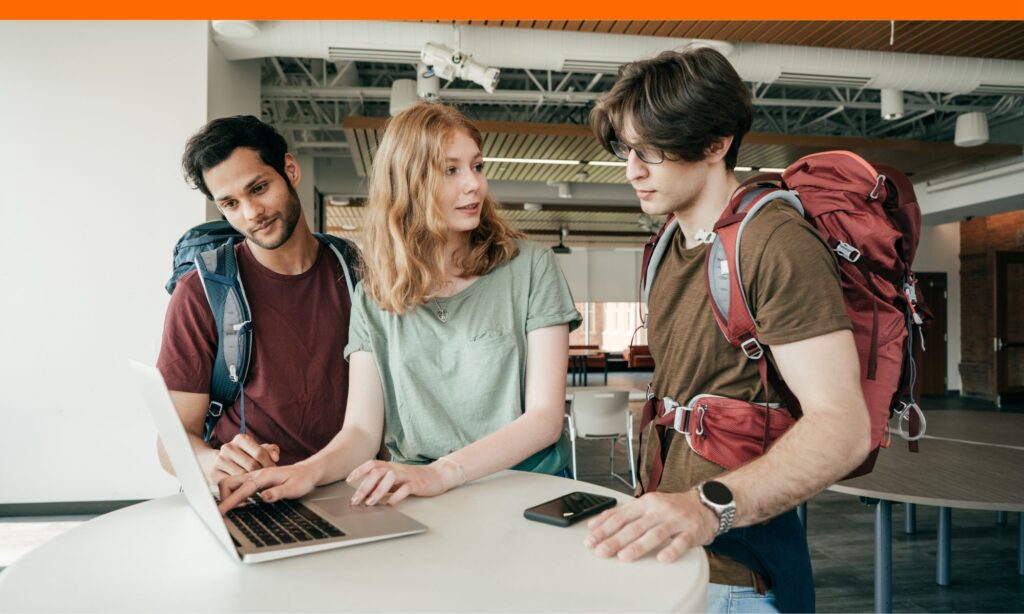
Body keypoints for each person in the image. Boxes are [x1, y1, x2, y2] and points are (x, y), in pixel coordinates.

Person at [583, 47, 872, 612]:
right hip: (670, 557)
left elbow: (844, 426)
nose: (632, 170)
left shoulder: (775, 243)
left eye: (652, 151)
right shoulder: (667, 246)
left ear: (716, 144)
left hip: (740, 578)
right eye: (627, 149)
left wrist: (706, 506)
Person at [217, 102, 581, 512]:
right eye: (450, 170)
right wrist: (309, 471)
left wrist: (441, 473)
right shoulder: (375, 293)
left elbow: (545, 419)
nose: (474, 185)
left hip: (527, 490)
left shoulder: (531, 266)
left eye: (476, 166)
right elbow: (361, 430)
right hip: (421, 494)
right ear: (407, 183)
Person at [157, 116, 356, 484]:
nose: (251, 213)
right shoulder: (200, 293)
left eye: (259, 188)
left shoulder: (356, 273)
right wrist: (210, 461)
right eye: (230, 203)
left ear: (291, 170)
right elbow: (170, 443)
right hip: (255, 499)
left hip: (350, 488)